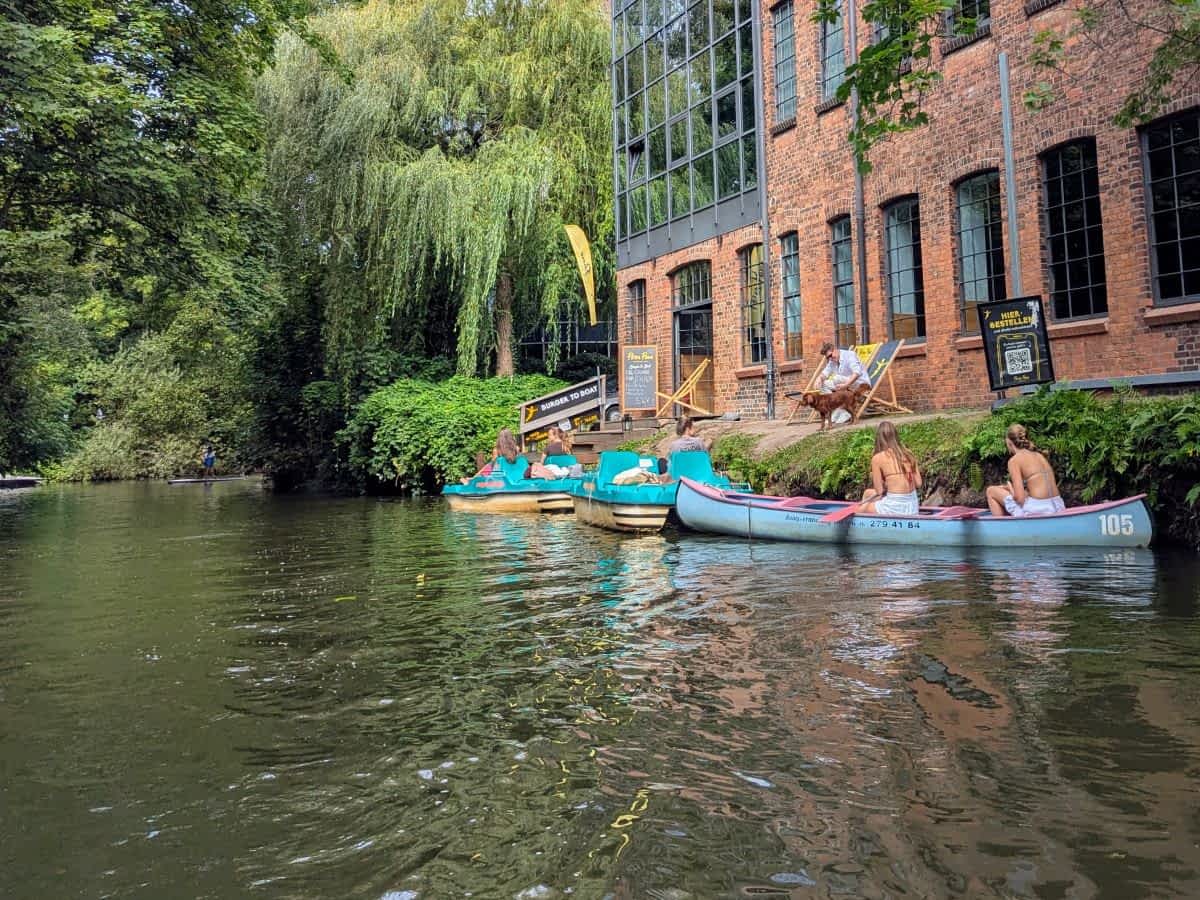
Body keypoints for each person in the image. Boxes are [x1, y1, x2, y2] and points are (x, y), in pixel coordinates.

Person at [986, 424, 1064, 517]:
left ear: (1009, 442)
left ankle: (1001, 528)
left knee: (991, 491)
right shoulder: (1039, 455)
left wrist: (1011, 489)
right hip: (1058, 505)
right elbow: (1036, 488)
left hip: (1039, 508)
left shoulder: (1014, 461)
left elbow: (1020, 499)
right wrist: (1009, 489)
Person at [859, 421, 922, 516]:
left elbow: (879, 491)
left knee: (860, 510)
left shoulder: (877, 458)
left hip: (895, 507)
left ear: (879, 438)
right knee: (867, 493)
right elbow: (919, 483)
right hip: (912, 506)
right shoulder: (909, 453)